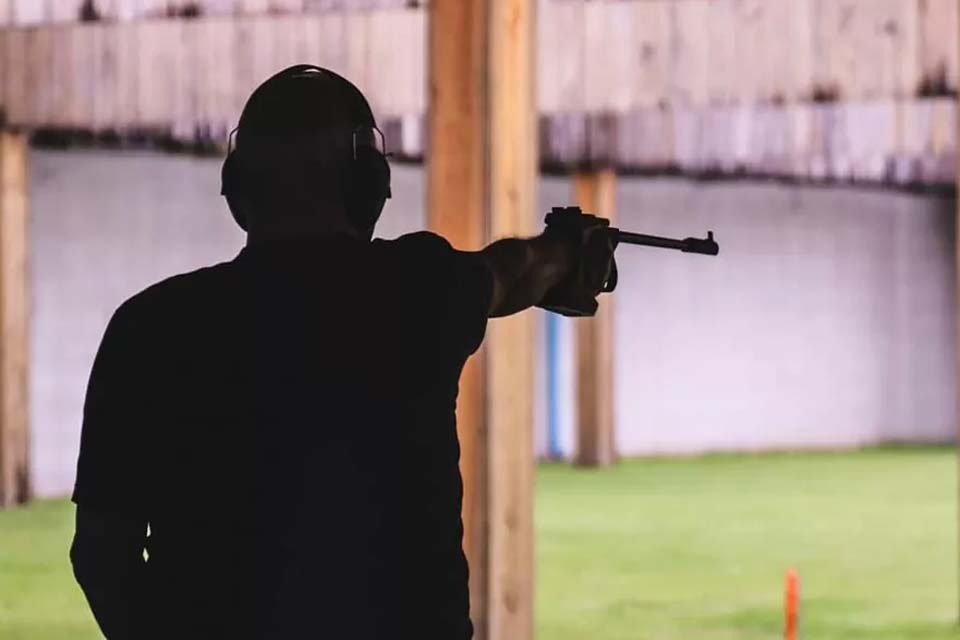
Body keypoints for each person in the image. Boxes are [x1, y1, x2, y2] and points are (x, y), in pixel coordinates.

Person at [70, 65, 614, 639]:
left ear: (240, 187)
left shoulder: (150, 327)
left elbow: (102, 556)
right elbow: (519, 269)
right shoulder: (419, 291)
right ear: (365, 182)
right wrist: (569, 251)